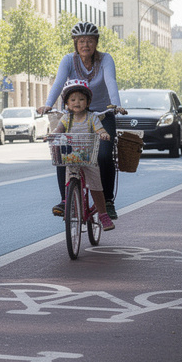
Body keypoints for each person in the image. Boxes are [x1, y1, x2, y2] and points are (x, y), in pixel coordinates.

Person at [38, 22, 125, 219]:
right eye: (81, 41)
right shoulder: (68, 60)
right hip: (73, 113)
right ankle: (65, 200)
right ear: (76, 44)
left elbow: (111, 80)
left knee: (103, 154)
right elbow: (59, 82)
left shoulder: (105, 59)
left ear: (96, 43)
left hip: (102, 113)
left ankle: (108, 201)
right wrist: (48, 104)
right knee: (62, 153)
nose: (86, 45)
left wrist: (116, 105)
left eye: (90, 41)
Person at [51, 79, 114, 231]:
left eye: (81, 99)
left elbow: (100, 130)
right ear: (67, 103)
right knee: (69, 184)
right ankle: (70, 205)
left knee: (95, 187)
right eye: (72, 99)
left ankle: (103, 214)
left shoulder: (92, 118)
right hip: (71, 157)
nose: (77, 102)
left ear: (88, 102)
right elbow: (59, 129)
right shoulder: (66, 118)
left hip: (88, 157)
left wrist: (104, 134)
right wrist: (51, 135)